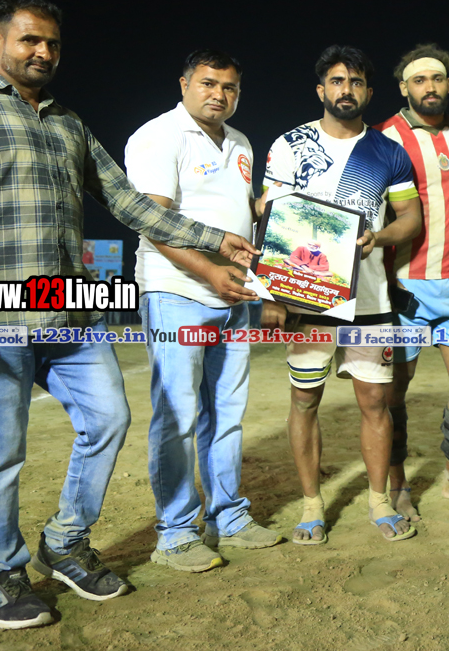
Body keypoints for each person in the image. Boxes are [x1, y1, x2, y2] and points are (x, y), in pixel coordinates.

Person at [0, 0, 258, 630]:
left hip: (68, 307)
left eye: (52, 43)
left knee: (109, 418)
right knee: (1, 451)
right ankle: (0, 574)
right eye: (29, 40)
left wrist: (213, 237)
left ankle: (65, 541)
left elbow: (126, 201)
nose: (43, 52)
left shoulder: (68, 123)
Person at [125, 49, 282, 574]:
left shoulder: (240, 142)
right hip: (177, 293)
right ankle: (174, 533)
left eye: (230, 87)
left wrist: (277, 214)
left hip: (235, 296)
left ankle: (228, 515)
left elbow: (236, 211)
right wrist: (209, 271)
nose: (219, 94)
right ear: (184, 83)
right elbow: (152, 221)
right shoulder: (159, 135)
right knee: (178, 417)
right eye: (208, 83)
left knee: (228, 414)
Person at [260, 45, 423, 544]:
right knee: (305, 400)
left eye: (355, 82)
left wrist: (381, 237)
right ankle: (312, 506)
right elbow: (270, 217)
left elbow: (411, 219)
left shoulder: (388, 151)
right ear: (320, 90)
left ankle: (378, 502)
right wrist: (272, 294)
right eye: (336, 81)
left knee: (375, 401)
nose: (345, 90)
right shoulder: (291, 145)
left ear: (369, 92)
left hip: (369, 298)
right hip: (307, 296)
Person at [374, 43, 449, 516]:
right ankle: (399, 485)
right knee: (394, 392)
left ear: (448, 85)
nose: (430, 87)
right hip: (406, 288)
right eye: (419, 80)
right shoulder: (384, 137)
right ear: (404, 88)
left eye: (437, 78)